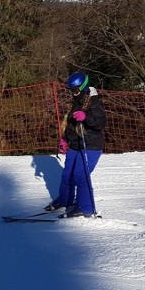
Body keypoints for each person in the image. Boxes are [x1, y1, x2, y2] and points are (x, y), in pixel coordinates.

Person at [44, 71, 106, 218]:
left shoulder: (95, 103)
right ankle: (65, 200)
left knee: (81, 175)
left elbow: (100, 124)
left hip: (90, 145)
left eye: (76, 90)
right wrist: (65, 139)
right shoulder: (77, 101)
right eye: (72, 91)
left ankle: (86, 208)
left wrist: (86, 117)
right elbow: (72, 124)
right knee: (67, 174)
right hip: (75, 143)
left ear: (84, 87)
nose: (73, 93)